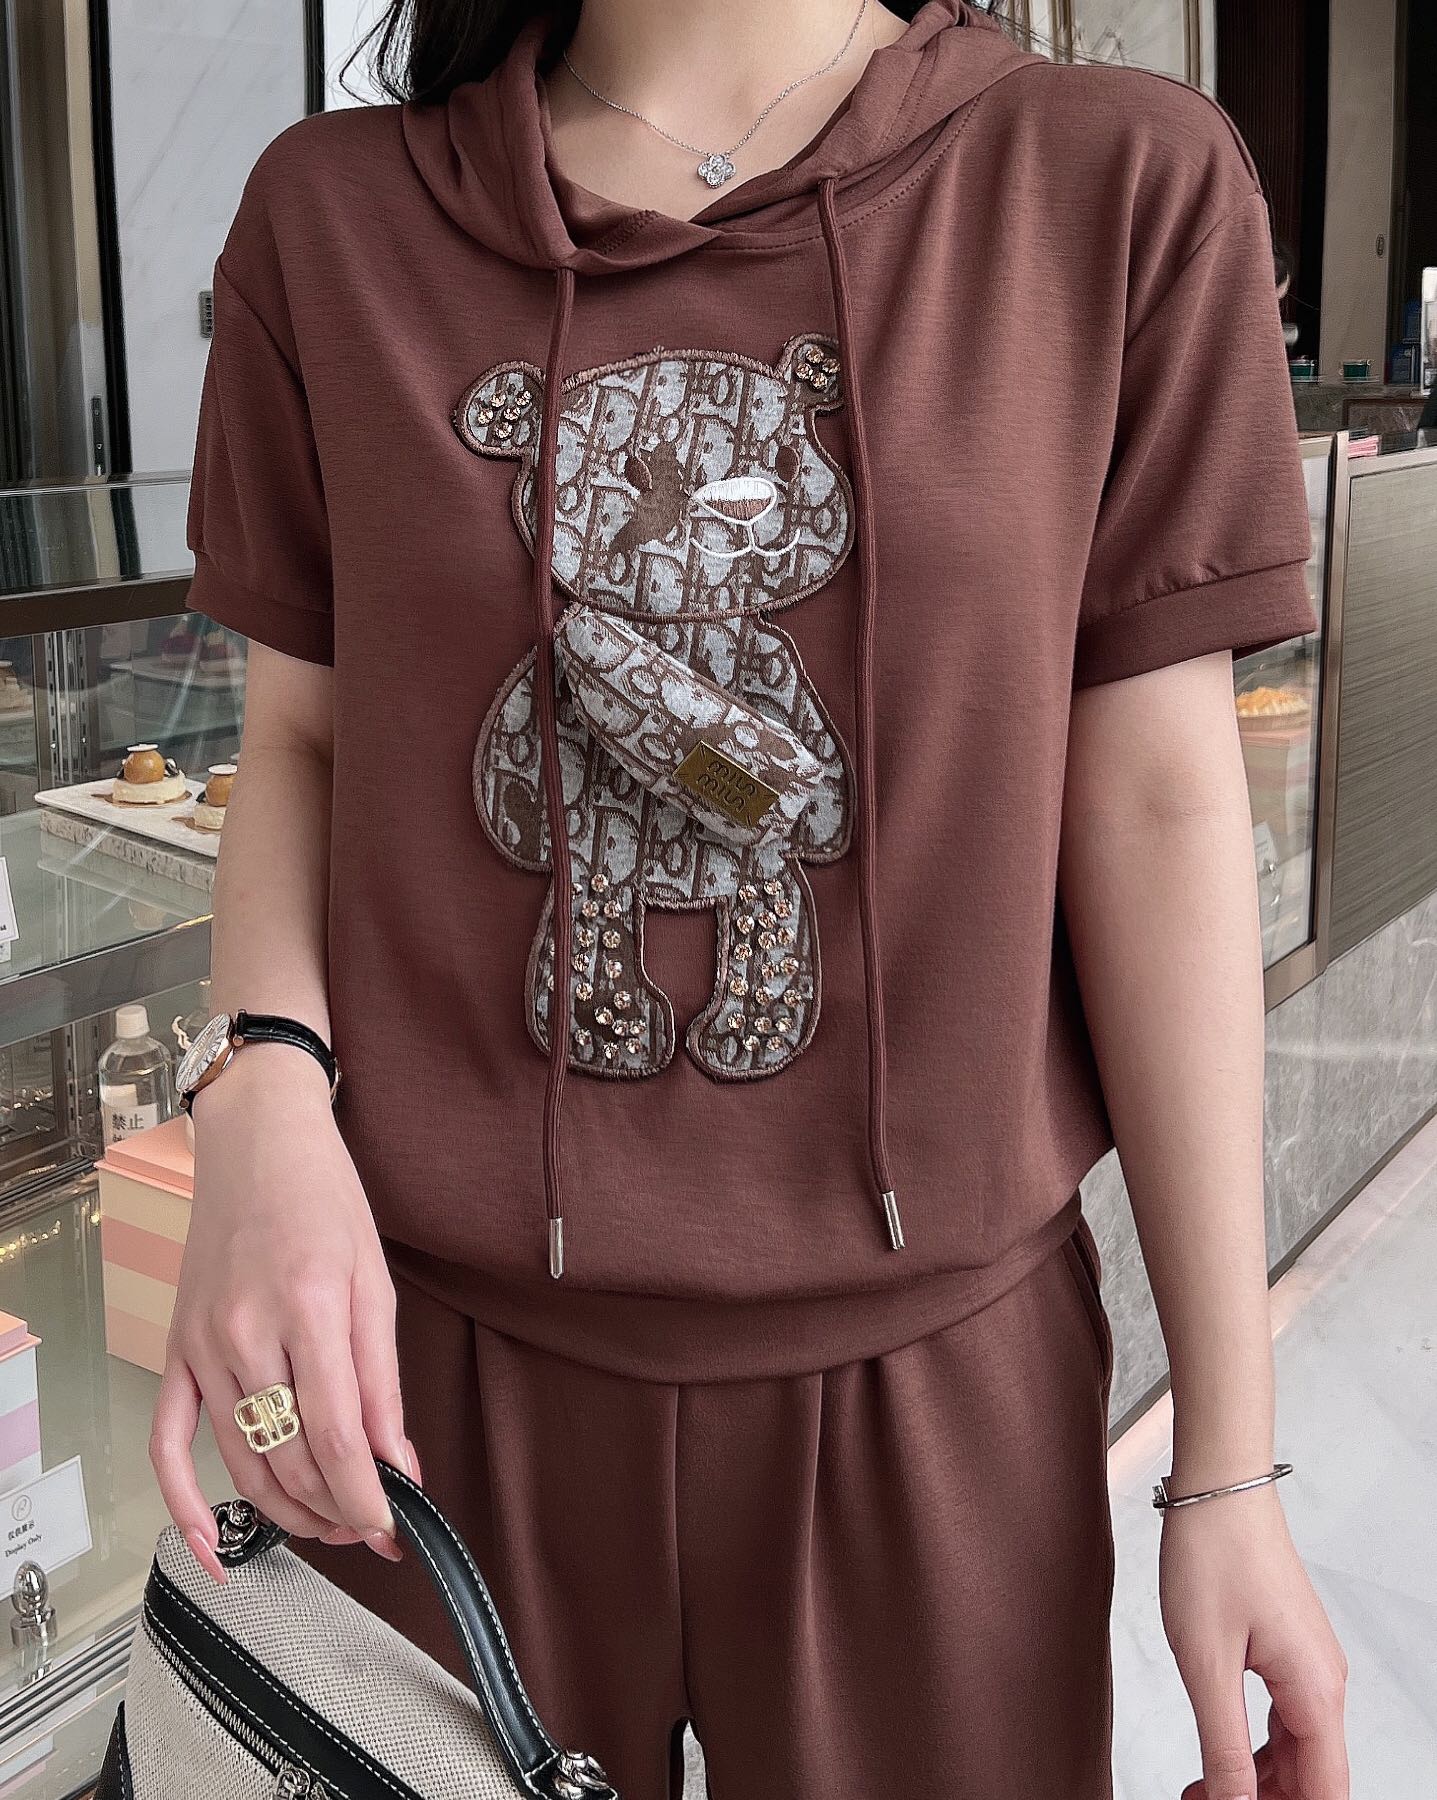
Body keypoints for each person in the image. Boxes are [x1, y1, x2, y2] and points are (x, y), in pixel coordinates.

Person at [153, 2, 1351, 1796]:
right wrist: (256, 1094)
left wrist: (1227, 1463)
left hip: (939, 1398)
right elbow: (303, 741)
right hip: (419, 1385)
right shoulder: (334, 221)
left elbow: (1157, 805)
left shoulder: (1111, 183)